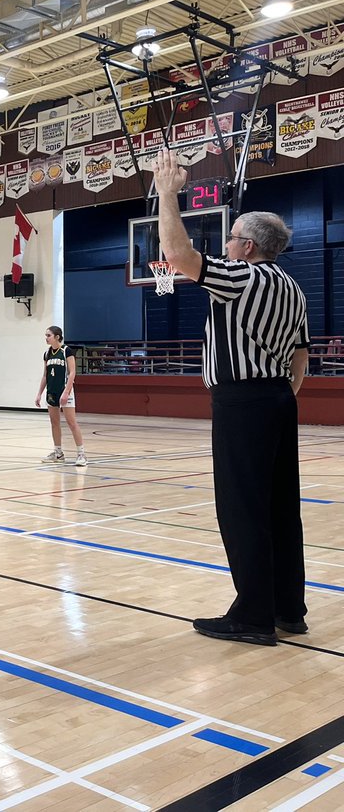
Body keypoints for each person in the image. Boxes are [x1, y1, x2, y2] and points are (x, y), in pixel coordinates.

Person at [154, 148, 309, 647]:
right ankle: (289, 609)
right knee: (281, 508)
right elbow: (302, 357)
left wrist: (166, 195)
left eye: (231, 236)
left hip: (243, 402)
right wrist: (280, 396)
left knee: (242, 508)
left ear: (246, 246)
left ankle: (253, 616)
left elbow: (177, 256)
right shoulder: (293, 288)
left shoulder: (241, 278)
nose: (225, 243)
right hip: (280, 398)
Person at [34, 327, 87, 467]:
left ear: (57, 337)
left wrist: (66, 391)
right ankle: (58, 453)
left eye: (48, 335)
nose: (46, 338)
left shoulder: (66, 351)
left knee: (71, 422)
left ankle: (81, 454)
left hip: (65, 391)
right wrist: (39, 393)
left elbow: (72, 372)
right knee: (54, 423)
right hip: (52, 391)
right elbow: (45, 375)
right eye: (46, 335)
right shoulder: (47, 353)